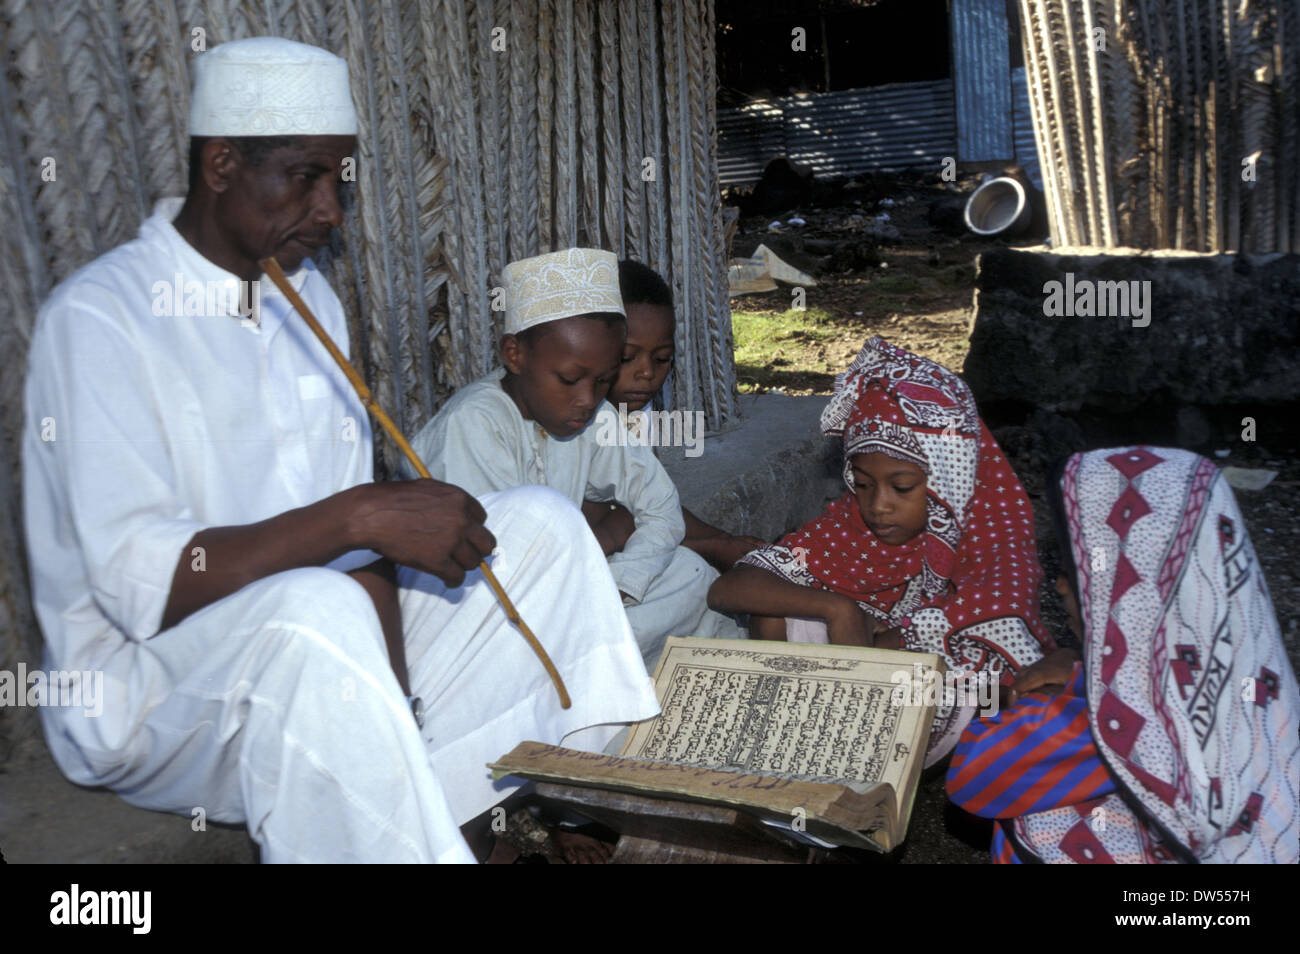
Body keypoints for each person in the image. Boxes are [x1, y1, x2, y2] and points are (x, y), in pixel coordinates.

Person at [21, 37, 658, 864]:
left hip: (319, 644)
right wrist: (359, 514)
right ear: (220, 165)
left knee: (540, 526)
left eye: (338, 179)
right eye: (304, 177)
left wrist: (393, 691)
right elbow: (149, 585)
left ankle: (586, 808)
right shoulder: (101, 319)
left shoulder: (307, 294)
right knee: (318, 610)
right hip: (150, 695)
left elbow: (363, 553)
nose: (331, 209)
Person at [946, 447, 1300, 863]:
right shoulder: (1249, 666)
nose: (1060, 587)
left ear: (1134, 594)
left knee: (1027, 820)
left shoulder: (1128, 719)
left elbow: (973, 776)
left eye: (1075, 573)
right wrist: (1082, 666)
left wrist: (1039, 701)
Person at [708, 337, 1053, 762]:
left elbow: (996, 626)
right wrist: (840, 610)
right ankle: (791, 744)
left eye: (902, 487)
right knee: (776, 607)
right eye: (864, 483)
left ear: (948, 479)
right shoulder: (852, 522)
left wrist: (874, 650)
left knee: (1004, 692)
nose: (878, 506)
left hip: (930, 693)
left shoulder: (994, 539)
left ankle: (868, 762)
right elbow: (730, 588)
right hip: (851, 679)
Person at [409, 248, 744, 670]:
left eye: (603, 380)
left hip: (569, 590)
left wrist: (620, 585)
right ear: (514, 354)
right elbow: (497, 567)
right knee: (580, 648)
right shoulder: (473, 425)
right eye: (570, 379)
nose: (587, 399)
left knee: (687, 573)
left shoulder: (592, 413)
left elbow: (660, 508)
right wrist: (602, 543)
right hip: (484, 611)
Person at [581, 259, 766, 574]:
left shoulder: (635, 408)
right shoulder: (575, 419)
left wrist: (725, 539)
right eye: (627, 357)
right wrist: (712, 546)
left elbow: (651, 500)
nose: (647, 373)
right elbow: (595, 534)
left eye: (662, 358)